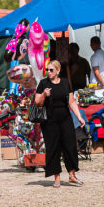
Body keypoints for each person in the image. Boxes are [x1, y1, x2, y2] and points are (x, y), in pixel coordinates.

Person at [34, 60, 87, 188]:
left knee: (70, 145)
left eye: (51, 70)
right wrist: (44, 95)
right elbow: (37, 103)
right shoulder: (43, 83)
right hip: (49, 121)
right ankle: (57, 178)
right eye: (47, 70)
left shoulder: (64, 82)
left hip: (65, 118)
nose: (48, 72)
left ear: (58, 70)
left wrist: (79, 117)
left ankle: (72, 175)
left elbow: (71, 102)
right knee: (53, 148)